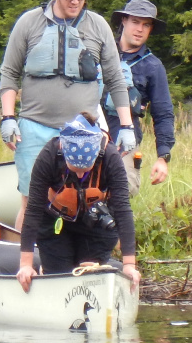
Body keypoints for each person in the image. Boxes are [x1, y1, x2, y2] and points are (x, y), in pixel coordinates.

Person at [0, 0, 136, 229]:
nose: (75, 1)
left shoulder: (97, 26)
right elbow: (9, 72)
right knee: (32, 201)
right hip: (34, 128)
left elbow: (115, 79)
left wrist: (127, 126)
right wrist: (7, 118)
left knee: (83, 199)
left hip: (82, 133)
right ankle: (22, 263)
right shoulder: (29, 23)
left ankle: (71, 263)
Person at [16, 114, 141, 293]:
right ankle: (47, 270)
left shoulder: (111, 157)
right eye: (76, 170)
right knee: (59, 278)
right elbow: (34, 209)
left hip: (96, 223)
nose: (81, 176)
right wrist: (26, 264)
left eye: (85, 171)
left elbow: (122, 209)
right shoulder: (49, 155)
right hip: (55, 221)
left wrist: (129, 265)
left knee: (89, 274)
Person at [102, 0, 176, 195]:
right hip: (89, 134)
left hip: (124, 142)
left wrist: (163, 157)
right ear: (124, 21)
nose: (140, 29)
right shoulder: (100, 53)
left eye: (146, 25)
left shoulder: (153, 67)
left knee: (121, 192)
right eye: (135, 22)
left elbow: (163, 114)